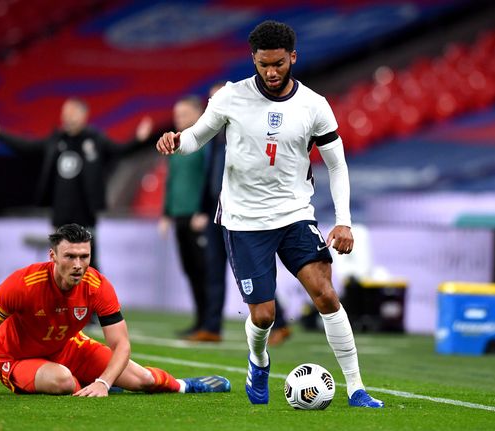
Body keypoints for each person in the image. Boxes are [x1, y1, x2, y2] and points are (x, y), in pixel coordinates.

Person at [156, 21, 384, 408]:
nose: (271, 72)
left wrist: (342, 219)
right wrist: (177, 142)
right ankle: (258, 361)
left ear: (293, 57)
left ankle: (357, 387)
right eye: (263, 64)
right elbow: (197, 136)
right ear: (254, 60)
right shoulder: (230, 97)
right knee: (264, 316)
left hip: (294, 214)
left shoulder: (314, 105)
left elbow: (337, 165)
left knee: (326, 295)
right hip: (244, 220)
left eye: (278, 63)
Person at [0, 223, 230, 397]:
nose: (78, 264)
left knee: (144, 379)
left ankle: (185, 385)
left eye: (84, 256)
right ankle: (89, 382)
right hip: (16, 359)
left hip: (67, 348)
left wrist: (105, 383)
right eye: (70, 256)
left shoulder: (97, 286)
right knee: (63, 381)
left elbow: (121, 345)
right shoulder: (23, 283)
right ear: (52, 256)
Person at [0, 97, 153, 269]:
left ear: (84, 115)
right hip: (60, 215)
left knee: (89, 264)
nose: (66, 115)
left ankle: (95, 300)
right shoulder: (56, 139)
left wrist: (138, 140)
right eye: (65, 112)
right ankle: (61, 300)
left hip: (85, 215)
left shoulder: (95, 139)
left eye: (72, 111)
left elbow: (120, 151)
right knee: (60, 264)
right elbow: (28, 147)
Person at [186, 82, 292, 345]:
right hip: (215, 211)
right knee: (213, 269)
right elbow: (208, 177)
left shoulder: (248, 131)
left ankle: (279, 321)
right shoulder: (213, 134)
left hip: (241, 210)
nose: (215, 104)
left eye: (218, 98)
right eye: (211, 99)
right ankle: (211, 326)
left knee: (248, 268)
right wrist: (202, 209)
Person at [158, 95, 207, 338]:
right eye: (177, 115)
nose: (178, 119)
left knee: (203, 270)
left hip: (197, 216)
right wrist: (166, 214)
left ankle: (208, 322)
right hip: (179, 215)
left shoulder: (204, 141)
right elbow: (172, 182)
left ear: (198, 114)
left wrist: (205, 211)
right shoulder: (177, 144)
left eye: (183, 114)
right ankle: (200, 321)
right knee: (190, 269)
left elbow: (210, 179)